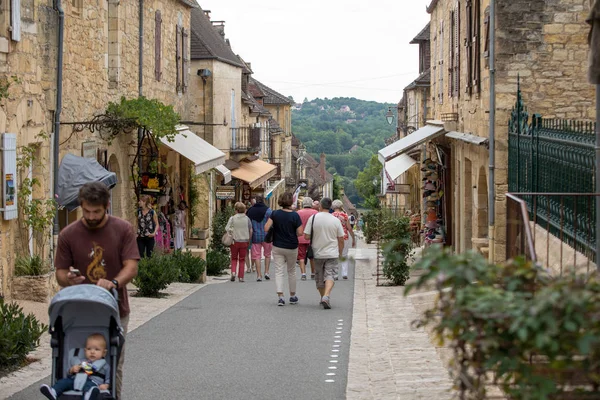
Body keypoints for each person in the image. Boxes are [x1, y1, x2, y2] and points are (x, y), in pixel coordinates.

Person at [54, 181, 139, 399]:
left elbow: (131, 266)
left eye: (97, 212)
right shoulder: (68, 234)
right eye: (87, 211)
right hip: (78, 312)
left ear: (107, 206)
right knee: (73, 359)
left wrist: (114, 283)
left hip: (115, 309)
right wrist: (69, 279)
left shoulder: (122, 229)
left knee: (112, 362)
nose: (91, 216)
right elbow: (60, 273)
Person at [40, 333, 110, 400]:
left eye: (96, 349)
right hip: (75, 381)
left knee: (90, 387)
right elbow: (68, 372)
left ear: (104, 353)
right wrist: (72, 370)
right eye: (89, 349)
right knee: (64, 382)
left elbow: (109, 378)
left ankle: (88, 396)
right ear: (85, 351)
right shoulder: (80, 362)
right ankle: (53, 391)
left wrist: (106, 385)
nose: (92, 352)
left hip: (93, 383)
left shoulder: (105, 366)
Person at [304, 198, 344, 309]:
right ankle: (326, 296)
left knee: (319, 278)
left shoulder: (313, 218)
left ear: (320, 206)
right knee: (330, 275)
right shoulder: (335, 220)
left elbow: (306, 236)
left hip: (317, 253)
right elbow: (341, 238)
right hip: (332, 253)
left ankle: (323, 297)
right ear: (330, 207)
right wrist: (340, 252)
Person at [264, 192, 303, 306]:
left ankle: (280, 296)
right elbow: (300, 232)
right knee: (291, 271)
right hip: (291, 246)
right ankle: (292, 295)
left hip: (278, 245)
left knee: (279, 271)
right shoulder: (295, 216)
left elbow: (266, 228)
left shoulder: (275, 214)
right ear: (291, 202)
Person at [246, 195, 273, 282]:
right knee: (267, 255)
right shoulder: (268, 211)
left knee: (257, 256)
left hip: (255, 236)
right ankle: (266, 272)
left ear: (255, 201)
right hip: (267, 236)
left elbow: (248, 224)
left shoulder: (250, 210)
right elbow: (272, 223)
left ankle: (259, 275)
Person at [225, 202, 252, 282]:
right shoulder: (247, 219)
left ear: (236, 210)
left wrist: (231, 232)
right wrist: (248, 239)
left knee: (234, 258)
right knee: (242, 259)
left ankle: (233, 272)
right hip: (244, 241)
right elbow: (251, 230)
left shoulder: (232, 218)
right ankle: (241, 277)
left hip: (234, 241)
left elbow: (227, 228)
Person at [332, 199, 356, 280]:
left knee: (334, 255)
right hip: (344, 236)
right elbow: (349, 228)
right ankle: (344, 273)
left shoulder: (331, 215)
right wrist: (353, 238)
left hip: (333, 237)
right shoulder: (345, 216)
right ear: (341, 206)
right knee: (344, 254)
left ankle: (335, 274)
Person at [297, 196, 318, 280]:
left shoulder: (298, 213)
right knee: (312, 256)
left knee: (301, 256)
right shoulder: (315, 213)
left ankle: (303, 274)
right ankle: (313, 273)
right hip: (312, 238)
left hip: (300, 237)